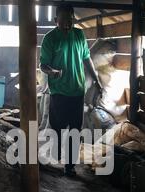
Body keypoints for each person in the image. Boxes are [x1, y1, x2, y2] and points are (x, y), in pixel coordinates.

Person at [40, 4, 103, 177]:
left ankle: (70, 167)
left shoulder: (79, 35)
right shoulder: (50, 38)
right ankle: (57, 155)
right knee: (58, 128)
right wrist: (51, 72)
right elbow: (43, 64)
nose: (67, 24)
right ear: (55, 20)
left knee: (75, 129)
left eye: (70, 20)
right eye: (63, 20)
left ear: (73, 19)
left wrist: (96, 79)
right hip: (59, 92)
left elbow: (86, 59)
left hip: (77, 91)